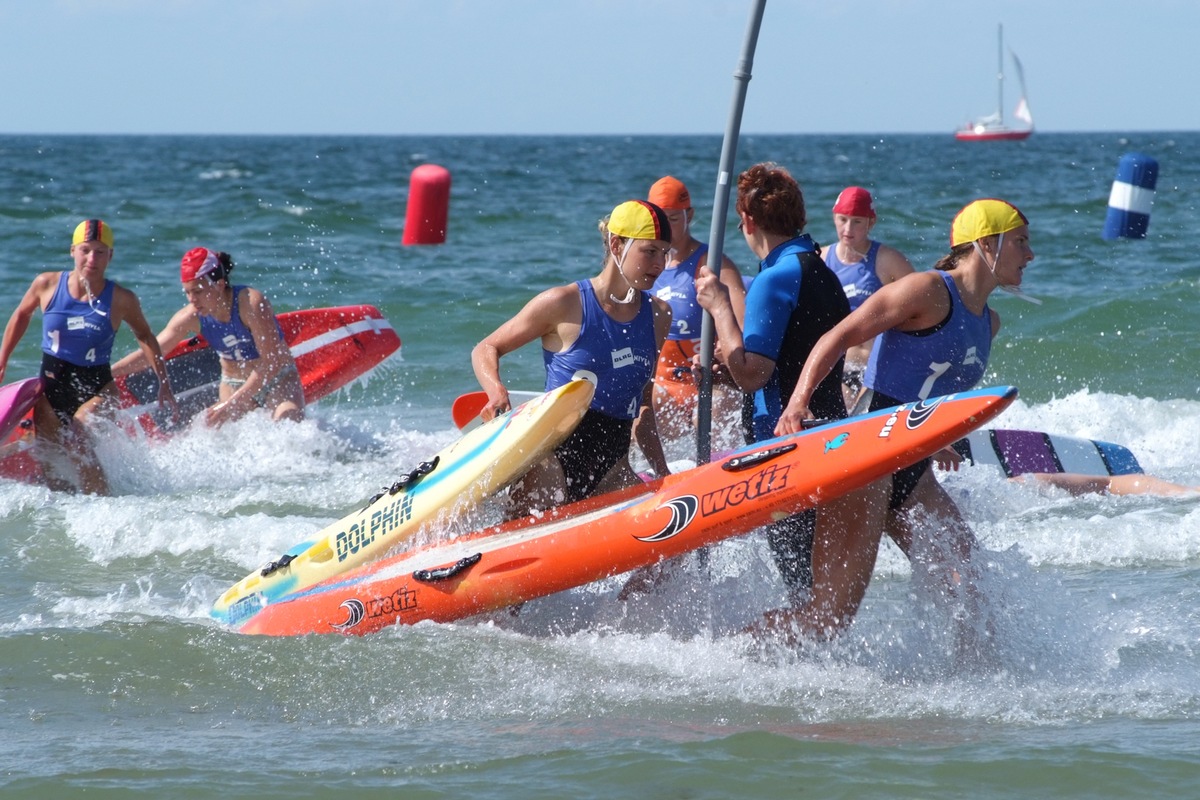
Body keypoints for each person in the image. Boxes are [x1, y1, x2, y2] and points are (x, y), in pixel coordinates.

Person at [775, 197, 1035, 642]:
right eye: (1020, 242)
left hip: (914, 468)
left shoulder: (987, 323)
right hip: (868, 458)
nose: (1030, 254)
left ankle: (972, 694)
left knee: (974, 592)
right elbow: (839, 336)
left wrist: (938, 437)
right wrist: (798, 403)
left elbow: (931, 391)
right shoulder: (927, 290)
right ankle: (722, 660)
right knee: (828, 619)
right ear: (986, 245)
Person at [693, 162, 886, 638]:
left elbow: (755, 374)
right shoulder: (819, 268)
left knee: (806, 595)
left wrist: (720, 309)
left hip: (786, 449)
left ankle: (748, 658)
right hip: (830, 436)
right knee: (820, 599)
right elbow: (791, 352)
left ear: (747, 222)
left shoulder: (775, 276)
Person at [471, 200, 673, 513]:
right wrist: (497, 392)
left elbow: (643, 402)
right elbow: (486, 348)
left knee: (666, 540)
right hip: (549, 464)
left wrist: (663, 475)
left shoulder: (659, 314)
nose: (660, 263)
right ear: (617, 245)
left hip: (611, 469)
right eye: (650, 251)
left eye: (665, 252)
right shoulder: (563, 303)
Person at [0, 219, 176, 494]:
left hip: (98, 390)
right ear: (73, 251)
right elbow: (22, 314)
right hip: (51, 392)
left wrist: (163, 380)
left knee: (78, 438)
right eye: (85, 250)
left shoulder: (121, 298)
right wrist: (3, 359)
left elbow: (145, 336)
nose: (91, 258)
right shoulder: (46, 284)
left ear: (110, 256)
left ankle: (103, 508)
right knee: (52, 465)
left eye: (100, 251)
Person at [112, 247, 304, 427]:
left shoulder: (250, 303)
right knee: (223, 442)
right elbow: (151, 353)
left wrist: (230, 404)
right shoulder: (190, 317)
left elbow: (271, 362)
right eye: (187, 292)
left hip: (278, 379)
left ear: (219, 284)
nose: (192, 299)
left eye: (198, 291)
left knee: (289, 424)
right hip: (233, 384)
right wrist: (107, 372)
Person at [646, 176, 746, 446]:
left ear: (689, 215)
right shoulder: (644, 268)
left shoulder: (713, 264)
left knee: (713, 411)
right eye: (660, 220)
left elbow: (744, 327)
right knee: (642, 408)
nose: (666, 228)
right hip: (665, 385)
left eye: (674, 219)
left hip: (711, 382)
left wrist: (721, 358)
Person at [822, 186, 915, 409]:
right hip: (838, 369)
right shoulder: (821, 260)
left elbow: (921, 306)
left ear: (870, 223)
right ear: (834, 217)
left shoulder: (888, 260)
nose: (847, 229)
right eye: (842, 219)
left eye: (857, 222)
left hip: (877, 372)